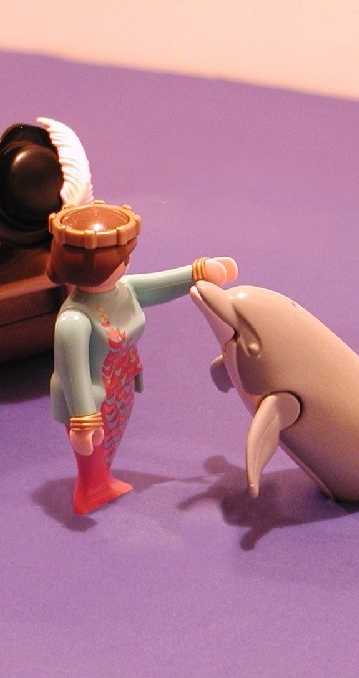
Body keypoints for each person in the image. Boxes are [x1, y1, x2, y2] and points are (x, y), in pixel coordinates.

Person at [47, 201, 237, 514]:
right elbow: (72, 373)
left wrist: (198, 273)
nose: (128, 262)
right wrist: (83, 419)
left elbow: (161, 284)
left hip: (121, 385)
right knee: (94, 451)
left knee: (109, 446)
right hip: (94, 399)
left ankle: (102, 481)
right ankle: (91, 489)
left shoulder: (123, 289)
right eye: (121, 258)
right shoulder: (74, 320)